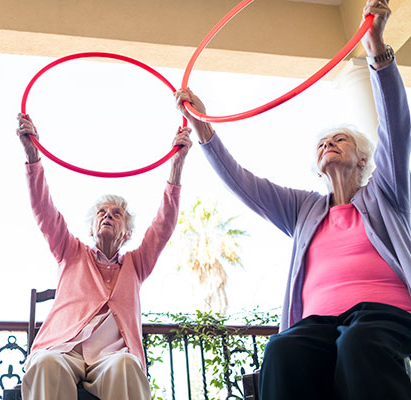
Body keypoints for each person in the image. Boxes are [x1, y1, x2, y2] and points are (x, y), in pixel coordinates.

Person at [175, 0, 411, 399]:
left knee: (357, 345)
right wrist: (202, 127)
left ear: (365, 159)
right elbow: (244, 184)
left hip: (384, 318)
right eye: (322, 143)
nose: (329, 144)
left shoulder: (386, 192)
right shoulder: (304, 210)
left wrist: (376, 51)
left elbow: (395, 127)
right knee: (282, 350)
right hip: (316, 325)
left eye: (340, 140)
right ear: (317, 166)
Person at [16, 112, 191, 399]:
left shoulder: (136, 263)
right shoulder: (70, 251)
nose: (108, 216)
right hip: (64, 348)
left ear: (127, 232)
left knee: (126, 365)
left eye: (116, 214)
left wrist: (177, 165)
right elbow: (44, 211)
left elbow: (164, 225)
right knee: (45, 363)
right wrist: (32, 154)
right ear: (92, 226)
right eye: (102, 212)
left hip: (110, 356)